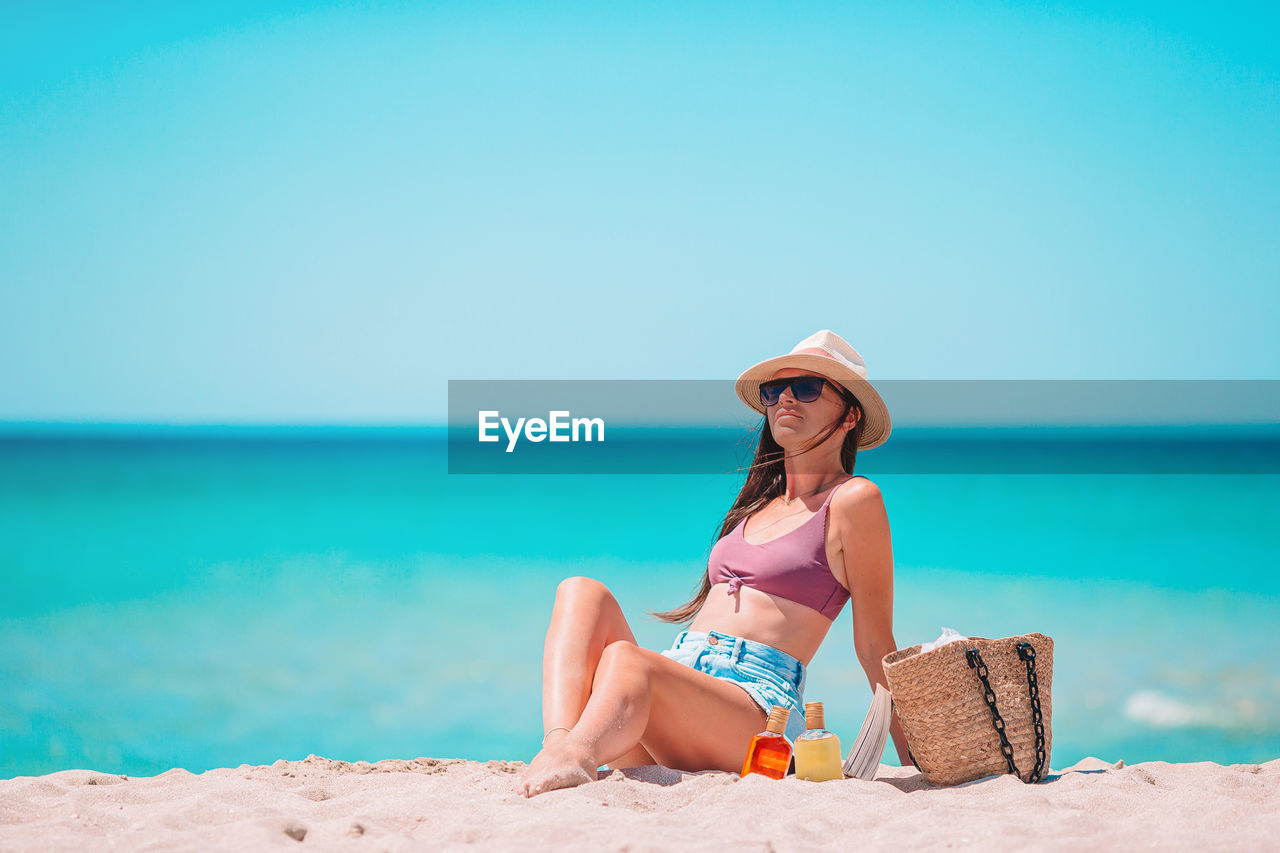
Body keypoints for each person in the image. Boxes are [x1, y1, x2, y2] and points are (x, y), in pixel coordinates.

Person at [515, 330, 911, 797]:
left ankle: (577, 753)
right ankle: (561, 744)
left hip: (756, 710)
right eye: (774, 390)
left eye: (806, 387)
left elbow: (874, 645)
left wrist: (914, 759)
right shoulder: (758, 504)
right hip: (677, 699)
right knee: (581, 591)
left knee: (627, 662)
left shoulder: (853, 500)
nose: (785, 398)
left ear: (849, 415)